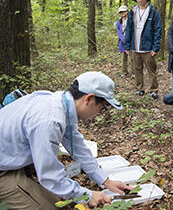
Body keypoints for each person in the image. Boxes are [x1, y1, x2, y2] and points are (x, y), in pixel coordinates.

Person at [0, 72, 132, 209]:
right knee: (51, 207)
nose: (99, 114)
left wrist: (105, 181)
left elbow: (77, 145)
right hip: (3, 170)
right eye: (102, 108)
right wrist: (88, 195)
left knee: (60, 199)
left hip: (10, 155)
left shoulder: (60, 103)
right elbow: (49, 176)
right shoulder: (49, 120)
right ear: (89, 99)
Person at [124, 0, 162, 100]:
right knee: (137, 68)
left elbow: (158, 30)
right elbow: (129, 29)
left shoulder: (153, 12)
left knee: (151, 69)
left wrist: (155, 47)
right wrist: (127, 45)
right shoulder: (132, 12)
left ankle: (153, 89)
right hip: (135, 47)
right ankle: (139, 88)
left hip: (148, 47)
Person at [116, 5, 134, 78]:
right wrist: (123, 39)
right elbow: (118, 31)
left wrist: (129, 40)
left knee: (132, 58)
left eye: (123, 11)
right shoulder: (119, 21)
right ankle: (124, 72)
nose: (122, 13)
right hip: (122, 42)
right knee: (124, 58)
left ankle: (133, 72)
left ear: (127, 11)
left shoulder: (131, 20)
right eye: (121, 12)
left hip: (131, 42)